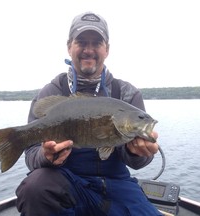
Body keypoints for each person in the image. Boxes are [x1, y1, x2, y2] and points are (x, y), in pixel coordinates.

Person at [16, 11, 162, 216]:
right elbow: (31, 155)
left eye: (97, 43)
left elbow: (138, 163)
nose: (89, 50)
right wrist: (45, 156)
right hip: (66, 183)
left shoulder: (127, 94)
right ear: (69, 46)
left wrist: (137, 152)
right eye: (82, 42)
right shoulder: (51, 92)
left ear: (107, 49)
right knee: (35, 186)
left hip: (116, 186)